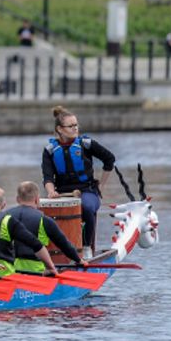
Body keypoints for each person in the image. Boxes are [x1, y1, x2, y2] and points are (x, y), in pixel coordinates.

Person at [42, 106, 117, 259]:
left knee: (87, 207)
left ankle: (87, 246)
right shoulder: (50, 150)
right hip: (62, 193)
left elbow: (110, 159)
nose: (75, 128)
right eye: (71, 126)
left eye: (76, 125)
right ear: (60, 129)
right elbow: (48, 177)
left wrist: (101, 186)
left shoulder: (86, 144)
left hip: (87, 191)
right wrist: (51, 192)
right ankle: (54, 253)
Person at [0, 186, 58, 276]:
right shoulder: (7, 220)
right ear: (3, 205)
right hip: (1, 275)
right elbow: (35, 244)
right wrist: (50, 267)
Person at [6, 181, 86, 273]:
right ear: (37, 200)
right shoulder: (44, 220)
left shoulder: (4, 217)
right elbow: (63, 244)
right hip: (37, 271)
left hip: (10, 270)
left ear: (17, 199)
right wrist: (79, 260)